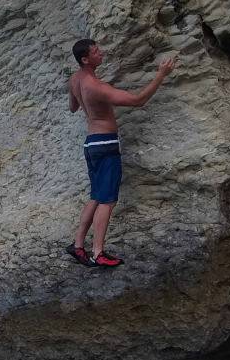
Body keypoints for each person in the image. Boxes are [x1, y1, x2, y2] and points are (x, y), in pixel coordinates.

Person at [67, 38, 176, 267]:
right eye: (96, 51)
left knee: (96, 196)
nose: (102, 53)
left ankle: (77, 246)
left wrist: (90, 105)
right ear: (85, 59)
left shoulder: (75, 79)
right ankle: (98, 253)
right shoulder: (97, 87)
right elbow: (138, 101)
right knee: (107, 201)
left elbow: (73, 107)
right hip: (105, 144)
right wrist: (161, 75)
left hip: (90, 144)